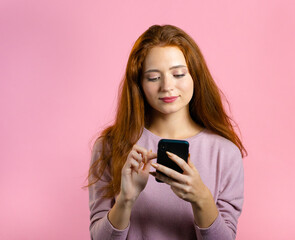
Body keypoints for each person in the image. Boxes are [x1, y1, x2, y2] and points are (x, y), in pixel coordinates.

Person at [87, 24, 247, 240]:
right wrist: (125, 199)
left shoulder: (225, 153)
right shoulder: (109, 146)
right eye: (153, 78)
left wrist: (201, 199)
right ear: (139, 83)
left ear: (195, 76)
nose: (167, 86)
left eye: (178, 74)